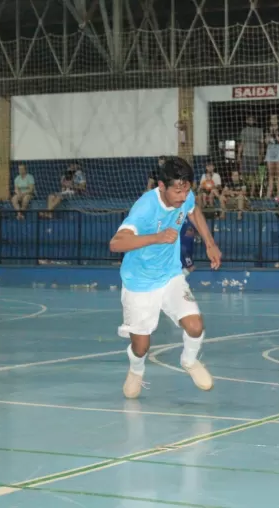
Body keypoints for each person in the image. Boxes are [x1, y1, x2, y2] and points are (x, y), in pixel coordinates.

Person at [109, 157, 222, 399]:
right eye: (177, 191)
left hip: (170, 275)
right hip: (139, 283)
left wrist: (210, 243)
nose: (183, 196)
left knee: (195, 325)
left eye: (187, 189)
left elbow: (193, 211)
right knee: (141, 347)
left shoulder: (185, 196)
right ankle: (136, 370)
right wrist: (157, 237)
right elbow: (116, 243)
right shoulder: (145, 208)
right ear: (161, 185)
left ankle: (189, 360)